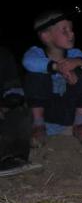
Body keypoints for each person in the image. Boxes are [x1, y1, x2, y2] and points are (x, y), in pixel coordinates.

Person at [23, 7, 82, 147]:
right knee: (34, 73)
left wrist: (78, 62)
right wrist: (56, 67)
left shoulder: (74, 53)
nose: (71, 33)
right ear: (46, 36)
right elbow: (28, 62)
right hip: (46, 111)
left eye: (71, 29)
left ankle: (80, 124)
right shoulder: (36, 53)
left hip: (69, 111)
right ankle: (38, 126)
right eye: (64, 30)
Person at [0, 46, 41, 176]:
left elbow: (14, 88)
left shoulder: (3, 54)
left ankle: (12, 158)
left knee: (22, 112)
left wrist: (8, 103)